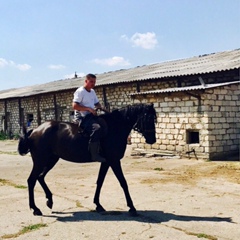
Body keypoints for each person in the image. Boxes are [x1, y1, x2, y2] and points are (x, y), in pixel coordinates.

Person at [72, 73, 106, 163]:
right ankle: (94, 155)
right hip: (82, 117)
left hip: (90, 116)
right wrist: (88, 109)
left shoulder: (92, 92)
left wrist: (101, 107)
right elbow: (75, 106)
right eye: (91, 82)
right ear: (86, 81)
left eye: (94, 82)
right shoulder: (80, 91)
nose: (93, 84)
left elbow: (96, 103)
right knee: (97, 129)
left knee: (105, 124)